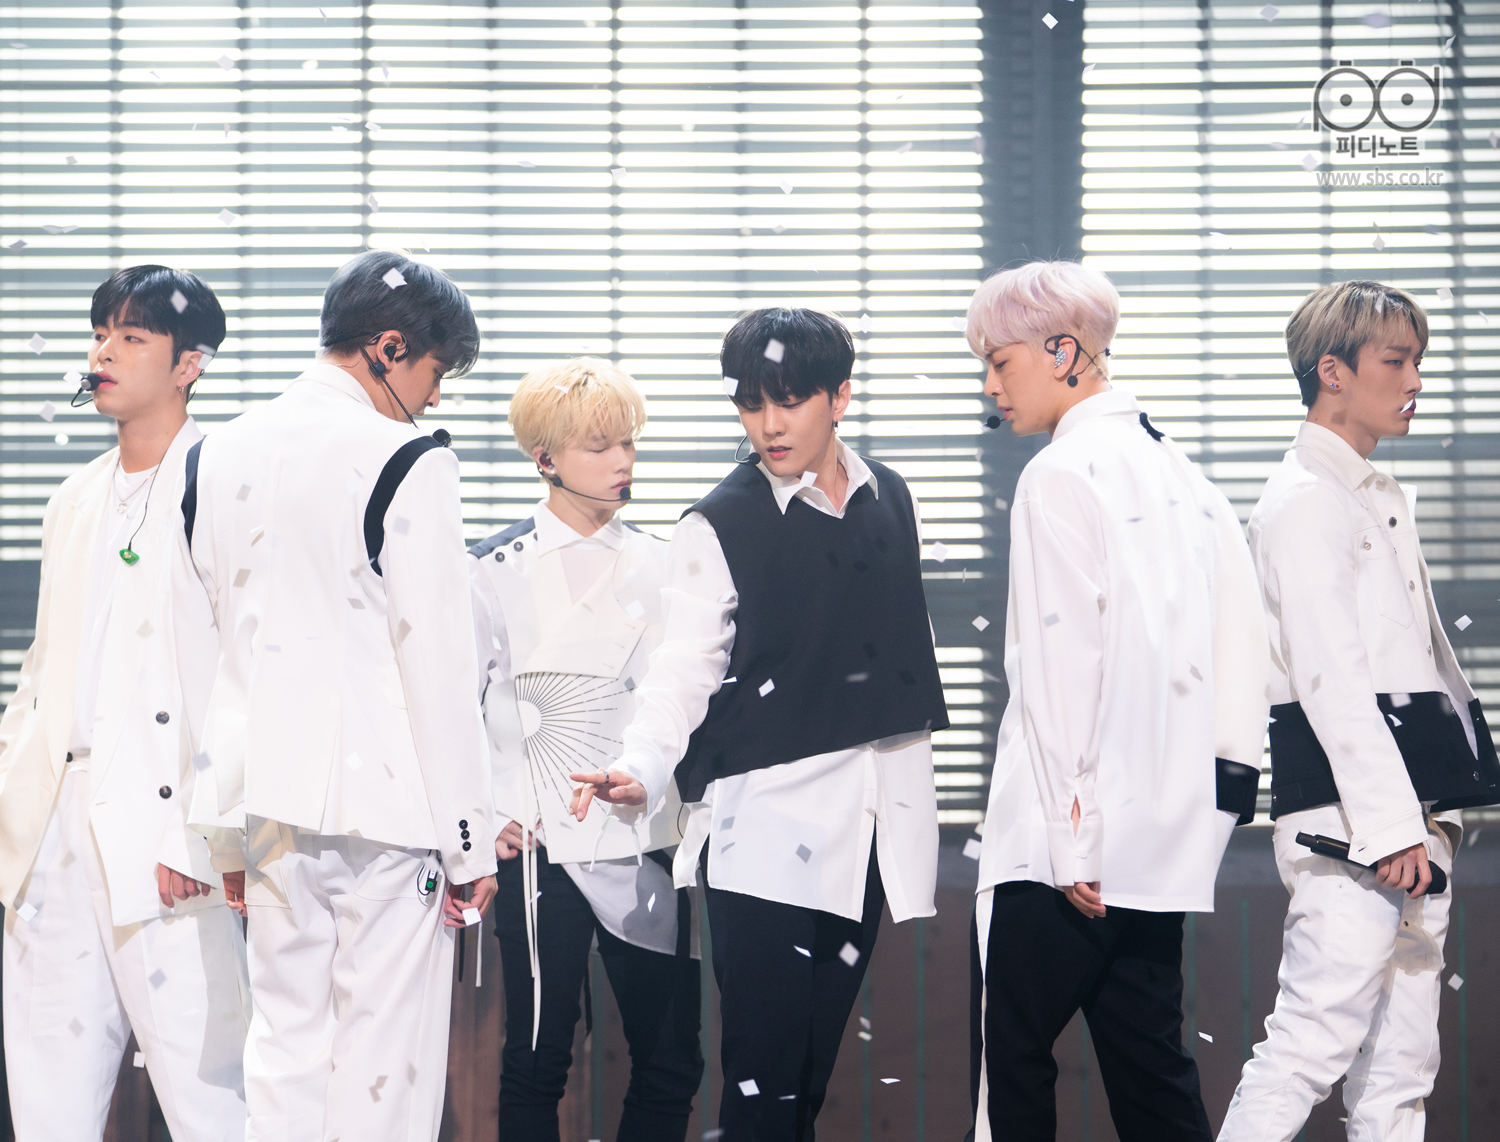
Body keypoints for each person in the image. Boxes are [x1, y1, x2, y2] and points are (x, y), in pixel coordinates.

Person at [571, 308, 949, 1142]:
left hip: (869, 829)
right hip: (765, 830)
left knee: (805, 1082)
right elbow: (685, 664)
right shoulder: (719, 521)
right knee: (762, 1088)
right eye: (750, 404)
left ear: (839, 397)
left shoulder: (892, 495)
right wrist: (642, 763)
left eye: (790, 400)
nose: (769, 425)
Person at [178, 249, 499, 1141]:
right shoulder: (409, 457)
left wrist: (219, 828)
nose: (432, 398)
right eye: (434, 373)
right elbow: (437, 662)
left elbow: (207, 652)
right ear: (390, 348)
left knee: (284, 1054)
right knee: (384, 1070)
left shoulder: (216, 453)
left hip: (269, 806)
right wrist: (468, 841)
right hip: (389, 812)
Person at [965, 260, 1271, 1142]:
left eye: (1000, 361)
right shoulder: (1182, 474)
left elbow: (1059, 665)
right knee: (1151, 1071)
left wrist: (1072, 834)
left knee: (1013, 1068)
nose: (991, 387)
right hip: (1161, 835)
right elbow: (1241, 644)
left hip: (1065, 841)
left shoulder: (1060, 474)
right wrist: (1213, 804)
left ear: (1063, 352)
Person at [1217, 281, 1500, 1142]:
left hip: (1407, 818)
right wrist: (1390, 827)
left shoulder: (1369, 492)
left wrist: (1423, 820)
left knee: (1401, 1072)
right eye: (1396, 360)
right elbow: (1330, 678)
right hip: (1357, 824)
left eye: (1418, 360)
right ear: (1332, 372)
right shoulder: (1306, 498)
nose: (1415, 380)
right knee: (1309, 1045)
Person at [0, 265, 249, 1140]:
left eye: (133, 336)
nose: (104, 351)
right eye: (100, 333)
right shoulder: (73, 497)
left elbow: (247, 674)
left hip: (164, 817)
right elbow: (43, 669)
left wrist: (207, 828)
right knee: (48, 1093)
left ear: (190, 364)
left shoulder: (225, 483)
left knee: (209, 1087)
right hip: (56, 820)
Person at [470, 357, 702, 1142]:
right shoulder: (488, 569)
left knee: (671, 1057)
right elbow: (454, 704)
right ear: (545, 458)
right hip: (536, 841)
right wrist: (486, 814)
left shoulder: (669, 566)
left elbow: (690, 696)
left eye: (628, 443)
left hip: (644, 835)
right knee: (536, 1060)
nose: (622, 461)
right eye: (600, 446)